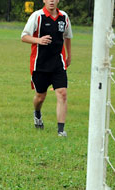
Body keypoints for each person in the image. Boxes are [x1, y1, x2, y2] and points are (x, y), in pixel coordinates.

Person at [21, 0, 73, 137]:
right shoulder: (37, 16)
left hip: (58, 63)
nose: (51, 1)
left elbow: (67, 37)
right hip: (40, 64)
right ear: (44, 0)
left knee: (62, 93)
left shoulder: (64, 17)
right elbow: (24, 36)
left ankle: (61, 130)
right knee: (40, 97)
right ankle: (37, 113)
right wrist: (38, 40)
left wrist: (69, 55)